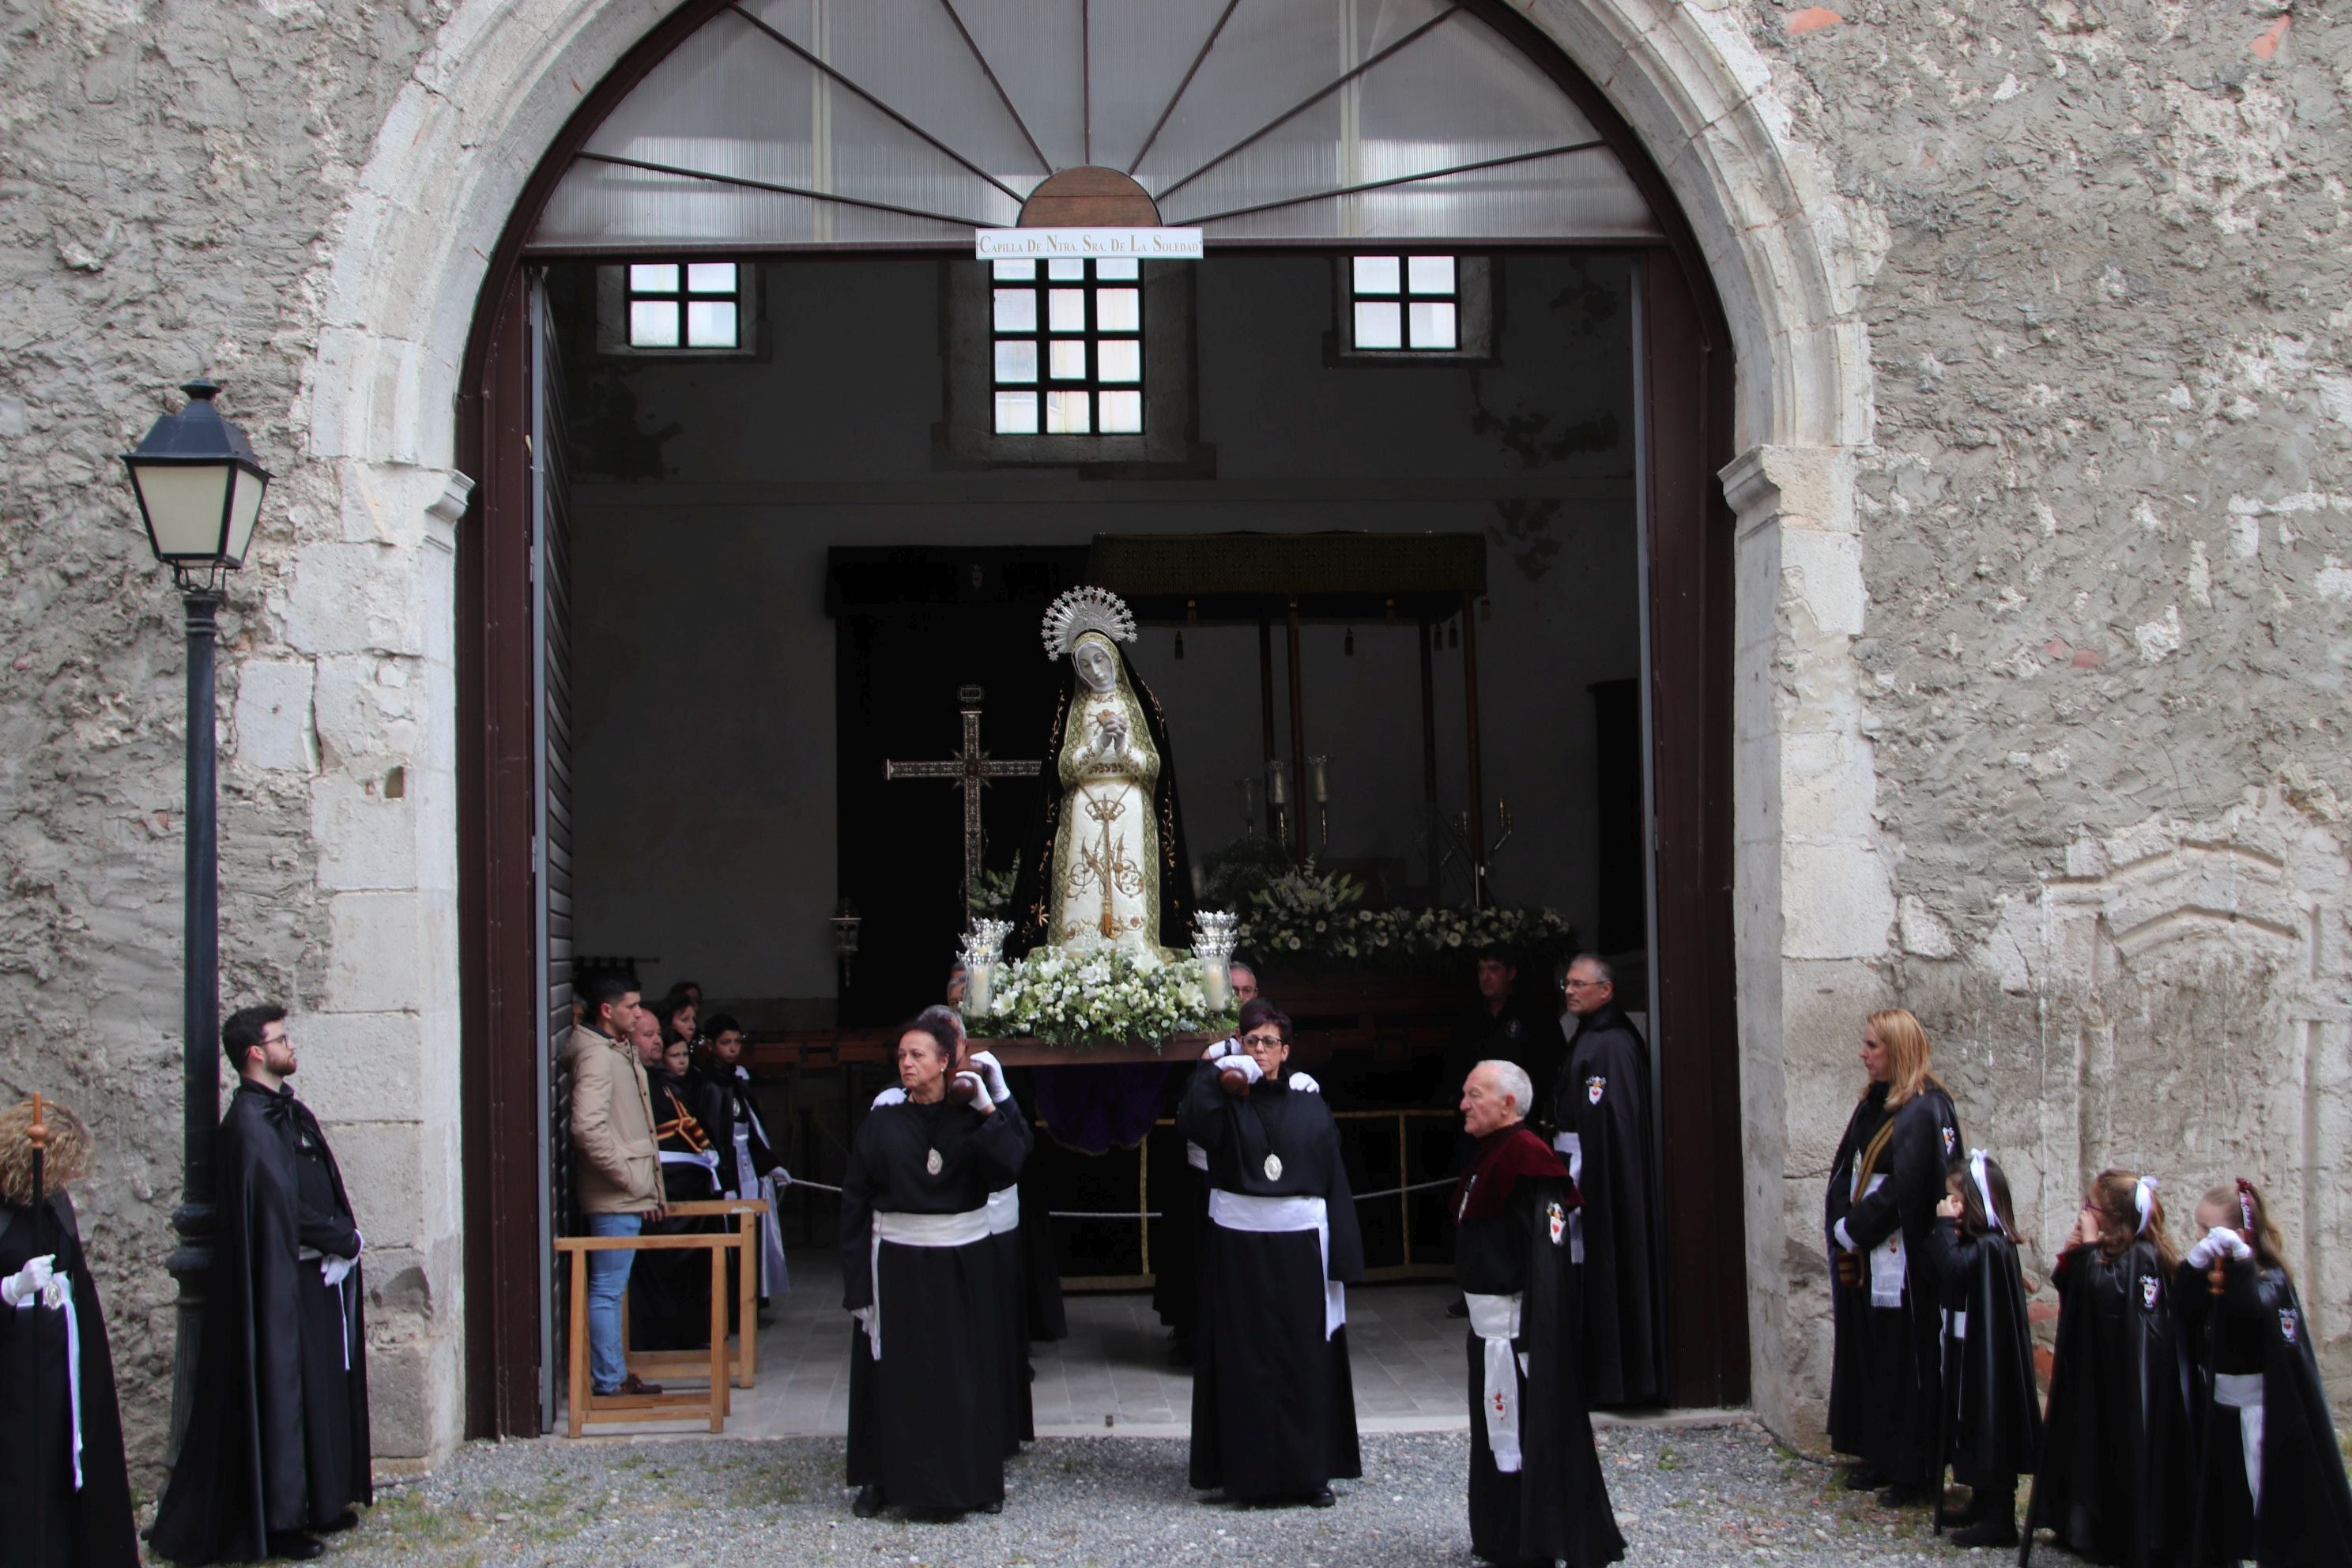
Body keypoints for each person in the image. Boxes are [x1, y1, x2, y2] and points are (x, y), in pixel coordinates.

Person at [151, 1005, 371, 1565]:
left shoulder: (285, 1113)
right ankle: (280, 1520)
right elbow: (278, 1207)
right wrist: (341, 1238)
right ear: (256, 1052)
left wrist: (340, 1239)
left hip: (312, 1272)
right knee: (283, 1394)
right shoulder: (249, 1124)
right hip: (280, 1281)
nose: (290, 1046)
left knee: (319, 1383)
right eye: (281, 1039)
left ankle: (321, 1500)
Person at [842, 1016, 1027, 1519]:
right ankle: (882, 1479)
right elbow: (856, 1201)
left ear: (946, 1061)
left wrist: (988, 1104)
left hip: (962, 1263)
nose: (906, 1063)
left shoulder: (971, 1118)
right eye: (901, 1055)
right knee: (895, 1376)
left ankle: (978, 1481)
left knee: (965, 1372)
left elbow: (1011, 1165)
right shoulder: (882, 1121)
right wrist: (857, 1279)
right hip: (898, 1265)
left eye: (917, 1055)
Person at [1178, 1001, 1362, 1508]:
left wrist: (1341, 1256)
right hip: (1239, 1250)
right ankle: (1245, 1475)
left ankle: (1310, 1474)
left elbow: (1330, 1179)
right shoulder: (1225, 1095)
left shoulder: (1309, 1099)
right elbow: (1194, 1126)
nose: (1260, 1051)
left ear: (1286, 1049)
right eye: (1251, 1041)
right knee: (1245, 1361)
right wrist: (1212, 1070)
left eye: (1270, 1042)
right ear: (1240, 1042)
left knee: (1305, 1360)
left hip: (1301, 1251)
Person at [1452, 1061, 1625, 1568]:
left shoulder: (1529, 1159)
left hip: (1519, 1332)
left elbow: (1547, 1259)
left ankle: (1540, 1541)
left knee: (1534, 1439)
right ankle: (1503, 1536)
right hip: (1487, 1331)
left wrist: (1540, 1339)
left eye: (1474, 1095)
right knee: (1495, 1438)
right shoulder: (1491, 1155)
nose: (1463, 1104)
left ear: (1508, 1103)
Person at [1822, 1007, 1963, 1506]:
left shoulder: (1926, 1108)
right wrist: (1843, 1220)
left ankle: (1914, 1468)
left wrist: (1856, 1226)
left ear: (1898, 1050)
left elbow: (1911, 1183)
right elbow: (1852, 1166)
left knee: (1909, 1359)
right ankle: (1881, 1452)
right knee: (1878, 1352)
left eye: (1872, 1047)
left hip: (1903, 1251)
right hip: (1869, 1245)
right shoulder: (1875, 1104)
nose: (1863, 1054)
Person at [2174, 1179, 2352, 1566]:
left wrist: (2238, 1263)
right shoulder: (2210, 1276)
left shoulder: (2270, 1277)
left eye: (2208, 1230)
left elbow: (2251, 1308)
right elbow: (2182, 1310)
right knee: (2226, 1498)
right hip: (2219, 1406)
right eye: (2199, 1228)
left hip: (2262, 1414)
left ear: (2238, 1235)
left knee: (2264, 1499)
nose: (2201, 1236)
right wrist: (2193, 1266)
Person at [2024, 1169, 2193, 1565]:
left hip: (2123, 1388)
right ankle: (2077, 1525)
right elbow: (2083, 1292)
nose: (2084, 1212)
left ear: (2113, 1217)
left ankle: (2118, 1536)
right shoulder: (2113, 1251)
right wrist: (2075, 1255)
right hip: (2093, 1378)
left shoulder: (2144, 1257)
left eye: (2090, 1206)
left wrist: (2085, 1247)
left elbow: (2110, 1300)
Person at [0, 1097, 138, 1568]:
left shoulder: (53, 1200)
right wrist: (11, 1288)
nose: (65, 1177)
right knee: (18, 1474)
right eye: (58, 1165)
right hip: (12, 1370)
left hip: (59, 1361)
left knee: (60, 1469)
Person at [1154, 958, 1291, 1366]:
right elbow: (1191, 1115)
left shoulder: (1273, 1042)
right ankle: (1196, 1340)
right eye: (1234, 991)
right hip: (1206, 1173)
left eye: (1248, 991)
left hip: (1257, 1176)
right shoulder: (1211, 1051)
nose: (1242, 998)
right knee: (1201, 1261)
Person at [1549, 952, 1663, 1408]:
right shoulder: (1588, 1035)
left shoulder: (1612, 1043)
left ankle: (1615, 1380)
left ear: (1606, 990)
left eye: (1580, 984)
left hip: (1595, 1169)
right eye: (1568, 985)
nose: (1571, 991)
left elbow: (1611, 1121)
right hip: (1576, 1160)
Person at [1920, 1151, 2040, 1547]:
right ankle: (1980, 1499)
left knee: (1990, 1425)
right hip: (1966, 1347)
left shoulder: (1991, 1246)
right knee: (1968, 1422)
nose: (1948, 1206)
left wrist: (1940, 1227)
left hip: (1987, 1358)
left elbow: (1954, 1268)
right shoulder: (1980, 1243)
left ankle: (2000, 1517)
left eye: (1955, 1199)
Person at [558, 971, 665, 1400]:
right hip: (614, 1196)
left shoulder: (612, 1049)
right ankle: (609, 1380)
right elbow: (587, 1128)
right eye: (631, 1007)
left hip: (622, 1192)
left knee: (611, 1288)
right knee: (606, 1290)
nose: (638, 1014)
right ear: (607, 1011)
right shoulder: (599, 1056)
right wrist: (629, 1178)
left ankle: (614, 1374)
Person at [631, 1016, 722, 1351]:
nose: (657, 1041)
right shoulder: (632, 1079)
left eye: (659, 1035)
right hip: (658, 1191)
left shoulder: (664, 1081)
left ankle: (692, 1334)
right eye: (649, 1035)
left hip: (687, 1187)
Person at [696, 1014, 790, 1310]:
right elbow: (714, 1133)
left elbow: (751, 1125)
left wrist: (769, 1163)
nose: (733, 1048)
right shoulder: (708, 1084)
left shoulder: (739, 1078)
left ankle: (751, 1297)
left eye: (737, 1042)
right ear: (711, 1045)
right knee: (732, 1230)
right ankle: (732, 1304)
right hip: (728, 1168)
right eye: (726, 1043)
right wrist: (723, 1180)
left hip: (748, 1164)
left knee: (754, 1230)